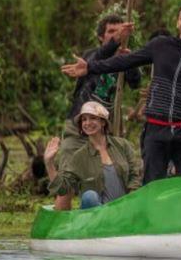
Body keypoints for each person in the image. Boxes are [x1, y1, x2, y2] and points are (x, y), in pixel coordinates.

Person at [61, 3, 181, 185]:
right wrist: (90, 67)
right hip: (156, 129)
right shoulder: (161, 45)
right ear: (177, 23)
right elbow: (125, 61)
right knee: (152, 183)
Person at [59, 14, 141, 167]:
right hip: (79, 124)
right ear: (100, 37)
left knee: (103, 174)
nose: (116, 35)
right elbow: (96, 59)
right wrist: (115, 42)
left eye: (119, 31)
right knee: (68, 170)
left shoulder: (124, 59)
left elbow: (135, 83)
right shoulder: (91, 56)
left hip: (104, 129)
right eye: (111, 32)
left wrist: (130, 61)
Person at [44, 101, 142, 210]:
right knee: (89, 196)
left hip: (123, 209)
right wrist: (49, 163)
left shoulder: (122, 145)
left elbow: (135, 174)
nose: (87, 123)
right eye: (84, 119)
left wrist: (132, 199)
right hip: (96, 216)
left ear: (103, 122)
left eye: (93, 118)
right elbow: (63, 189)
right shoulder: (79, 156)